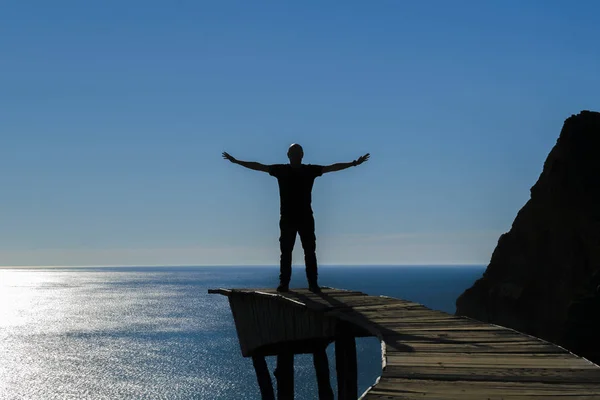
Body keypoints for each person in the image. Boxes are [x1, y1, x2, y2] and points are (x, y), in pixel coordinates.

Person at [222, 144, 370, 293]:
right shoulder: (292, 170)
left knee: (302, 252)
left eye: (296, 153)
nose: (295, 156)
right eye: (294, 153)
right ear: (293, 155)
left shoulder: (295, 170)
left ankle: (304, 284)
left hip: (299, 218)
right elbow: (258, 166)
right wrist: (237, 161)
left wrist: (353, 163)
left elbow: (331, 167)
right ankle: (294, 284)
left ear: (297, 155)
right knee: (293, 252)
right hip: (293, 218)